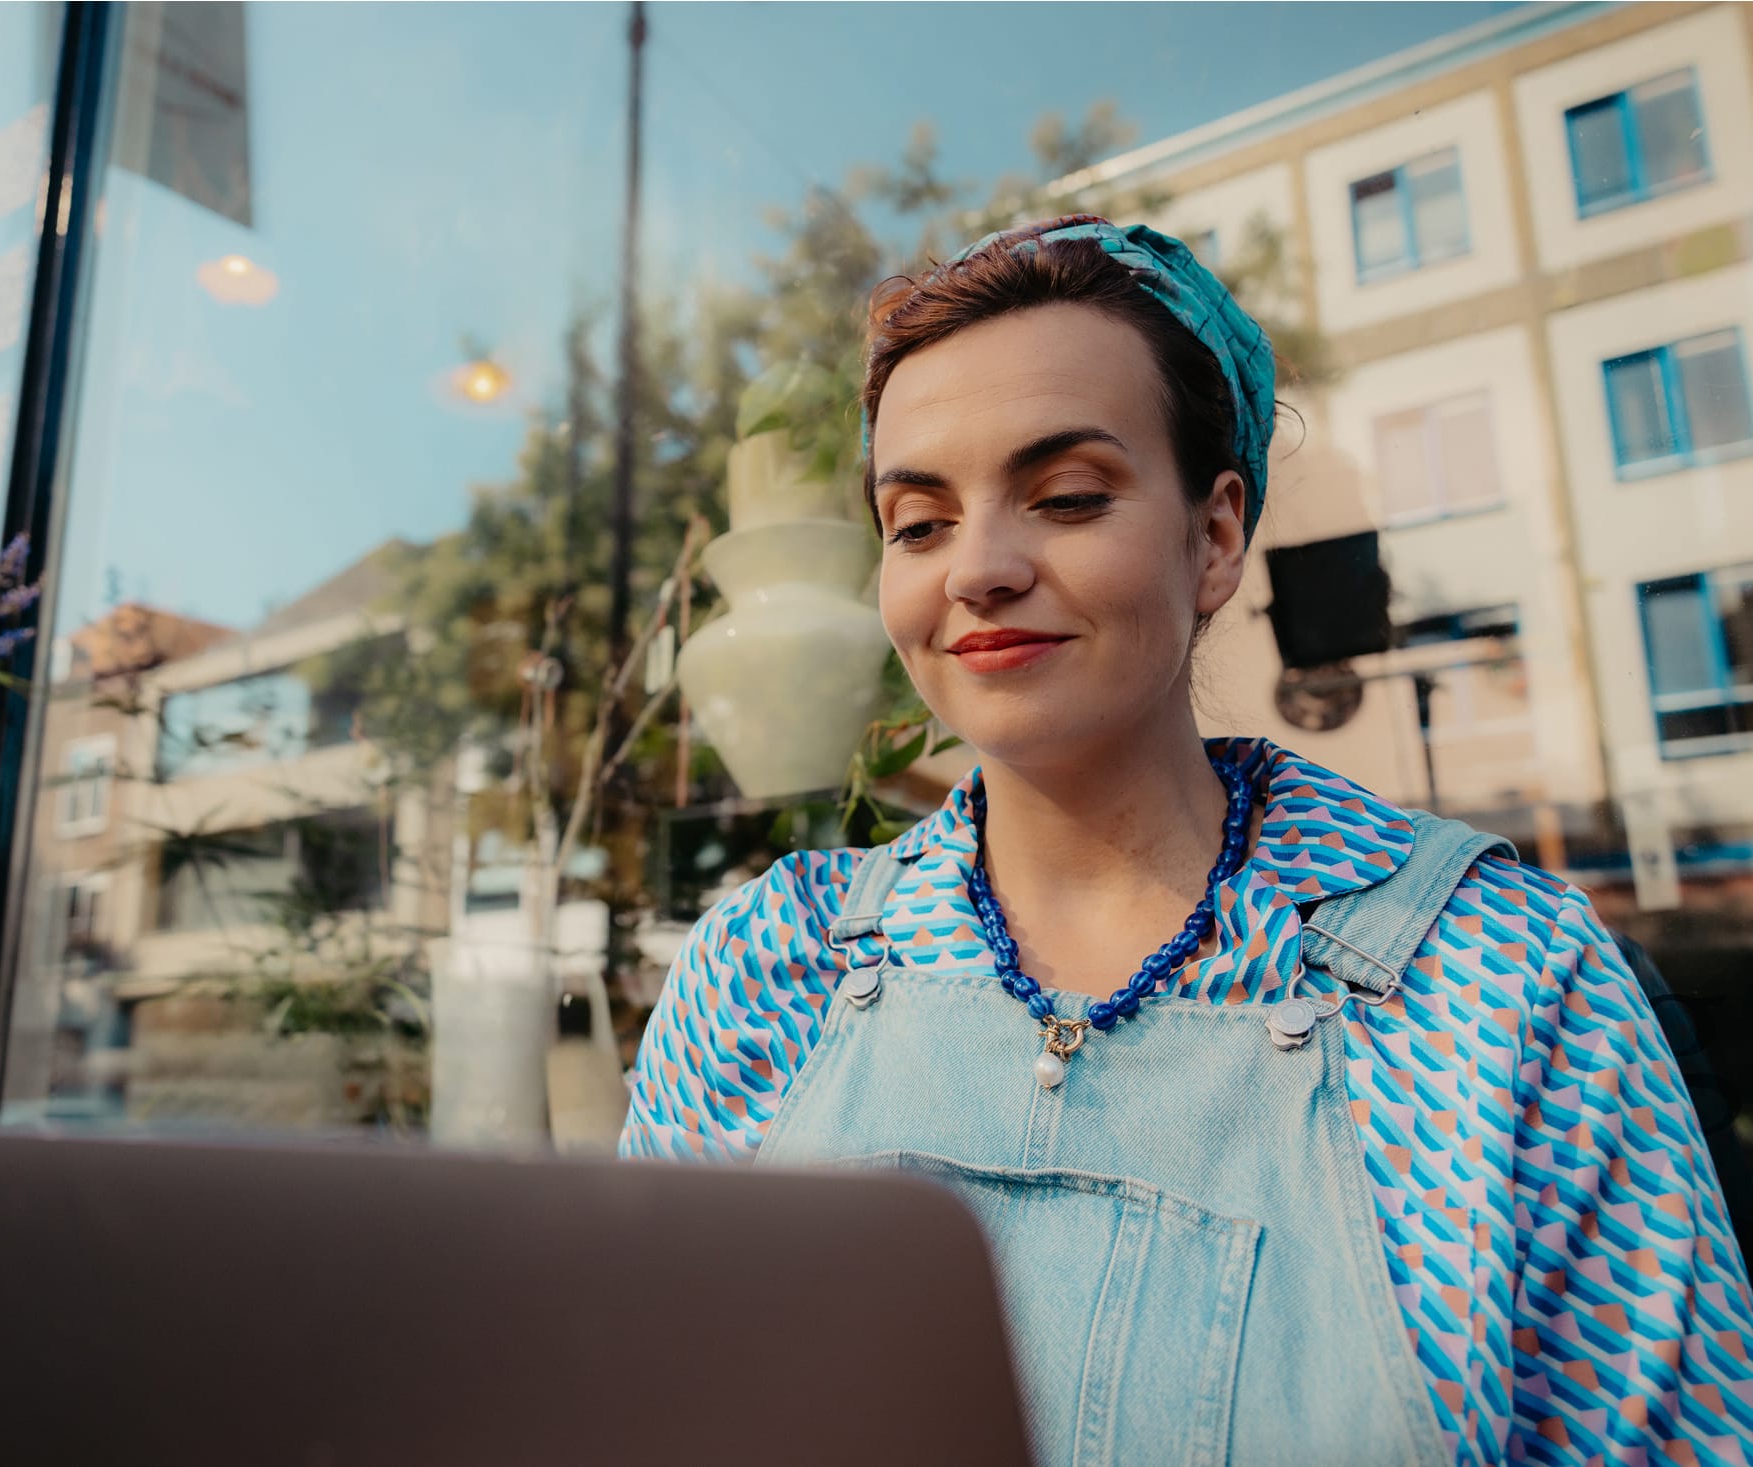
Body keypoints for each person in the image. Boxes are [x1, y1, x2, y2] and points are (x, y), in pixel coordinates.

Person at [621, 217, 1753, 1465]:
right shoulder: (763, 969)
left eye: (1065, 497)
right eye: (918, 523)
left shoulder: (1501, 984)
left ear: (1213, 538)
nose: (976, 569)